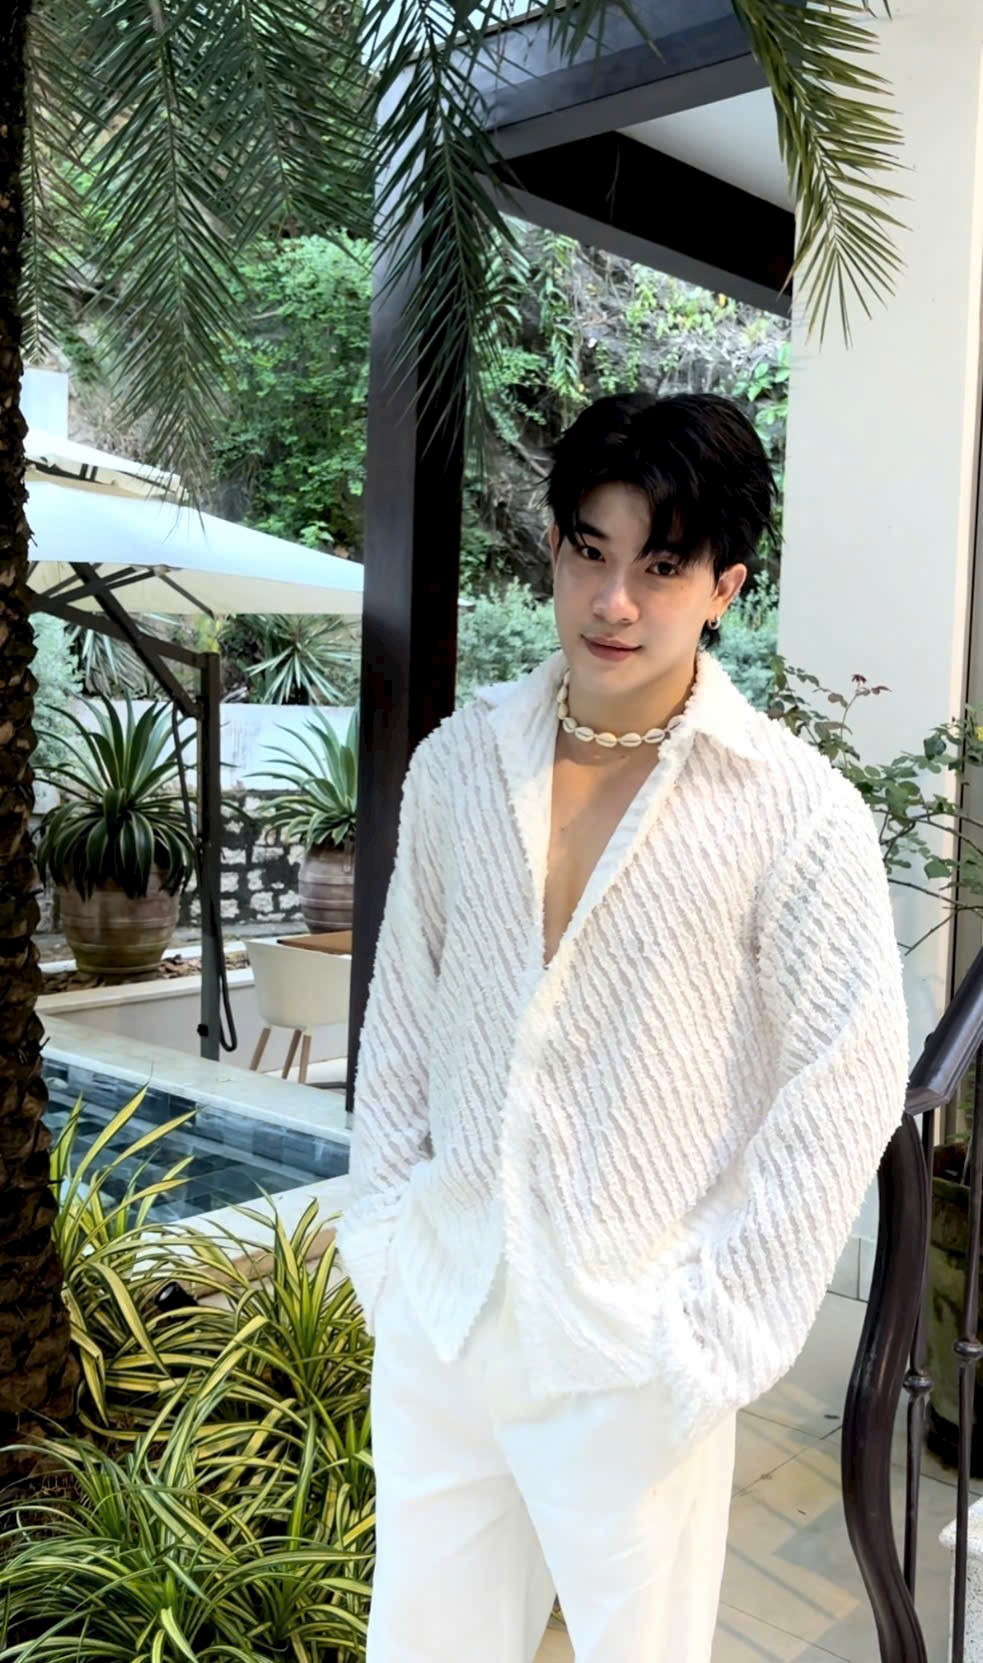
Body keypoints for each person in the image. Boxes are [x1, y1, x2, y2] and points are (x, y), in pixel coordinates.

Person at [333, 390, 911, 1663]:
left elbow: (846, 1079)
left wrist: (711, 1334)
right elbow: (403, 1018)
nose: (612, 601)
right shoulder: (458, 764)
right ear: (551, 549)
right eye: (588, 552)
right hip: (444, 1309)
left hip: (631, 1349)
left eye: (659, 567)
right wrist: (381, 1240)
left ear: (722, 588)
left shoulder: (792, 811)